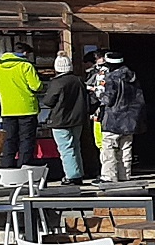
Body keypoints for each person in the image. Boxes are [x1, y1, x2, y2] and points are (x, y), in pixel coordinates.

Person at [37, 55, 90, 184]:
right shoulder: (78, 80)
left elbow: (48, 101)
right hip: (77, 119)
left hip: (60, 120)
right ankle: (78, 173)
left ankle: (72, 176)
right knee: (75, 146)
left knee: (66, 148)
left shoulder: (57, 82)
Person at [95, 54, 145, 183]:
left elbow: (108, 99)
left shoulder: (111, 78)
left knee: (109, 149)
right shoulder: (132, 77)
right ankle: (124, 175)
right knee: (125, 149)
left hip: (113, 119)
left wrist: (98, 93)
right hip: (130, 120)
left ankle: (109, 176)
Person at [0, 46, 41, 169]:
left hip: (7, 109)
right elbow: (36, 86)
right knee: (26, 139)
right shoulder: (26, 66)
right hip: (27, 108)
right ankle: (24, 166)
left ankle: (8, 166)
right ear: (25, 53)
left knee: (9, 139)